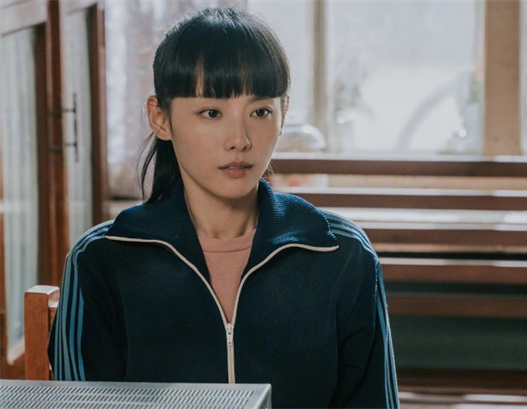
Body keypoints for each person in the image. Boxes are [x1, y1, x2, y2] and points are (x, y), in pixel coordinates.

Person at [48, 7, 399, 408]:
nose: (239, 139)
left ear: (283, 114)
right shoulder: (102, 259)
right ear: (160, 118)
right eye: (211, 112)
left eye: (260, 112)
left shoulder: (342, 253)